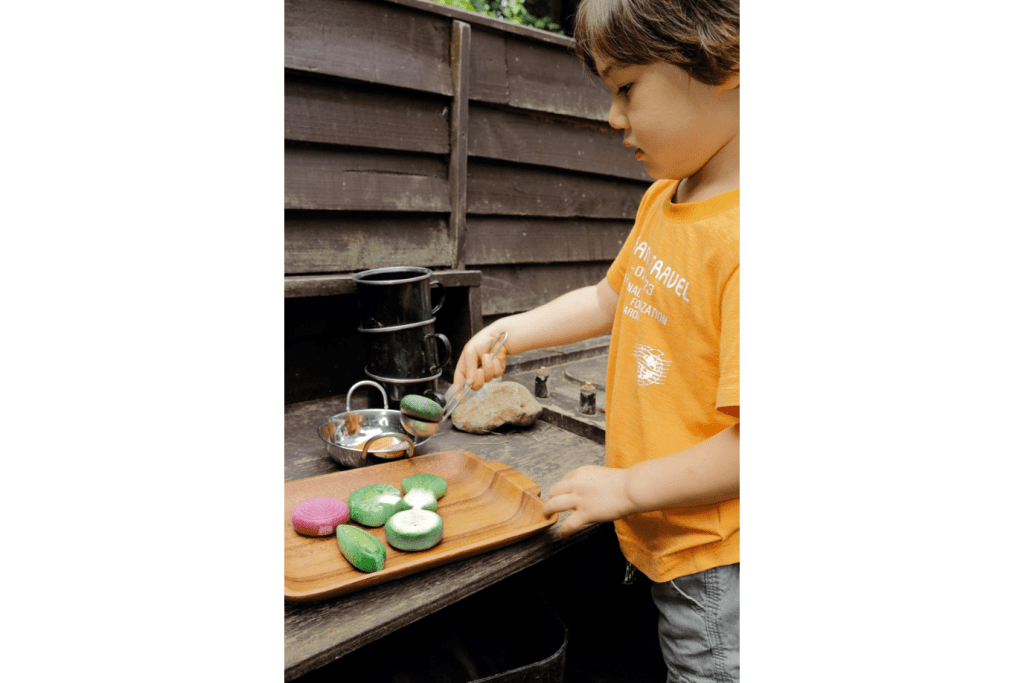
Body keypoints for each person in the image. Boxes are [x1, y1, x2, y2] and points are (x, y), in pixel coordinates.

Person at [451, 1, 740, 680]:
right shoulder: (668, 197)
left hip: (719, 565)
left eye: (626, 87)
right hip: (665, 538)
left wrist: (626, 487)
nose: (612, 117)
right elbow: (612, 296)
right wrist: (511, 329)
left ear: (725, 58)